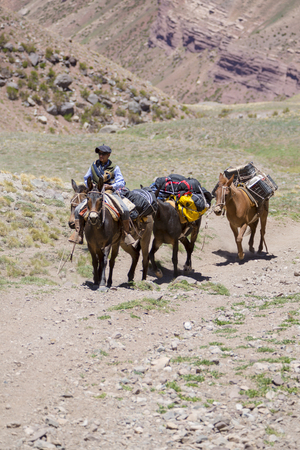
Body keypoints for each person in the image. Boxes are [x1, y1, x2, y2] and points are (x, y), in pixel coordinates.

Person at [69, 144, 136, 245]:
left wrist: (111, 186)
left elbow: (121, 182)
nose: (101, 156)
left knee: (125, 210)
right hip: (95, 193)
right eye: (100, 154)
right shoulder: (93, 166)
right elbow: (86, 178)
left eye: (103, 154)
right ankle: (79, 233)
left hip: (110, 193)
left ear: (109, 155)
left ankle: (126, 234)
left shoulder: (114, 168)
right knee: (78, 209)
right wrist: (91, 185)